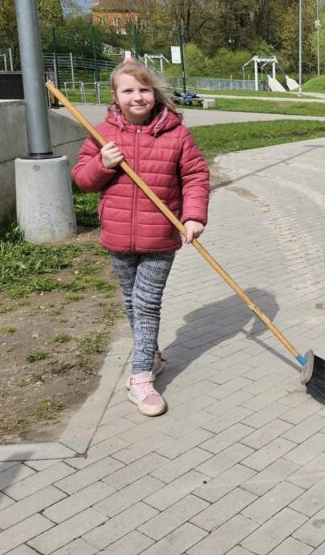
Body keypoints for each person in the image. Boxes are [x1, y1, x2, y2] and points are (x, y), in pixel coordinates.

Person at [72, 61, 209, 417]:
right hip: (117, 236)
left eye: (144, 90)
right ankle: (154, 355)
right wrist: (102, 163)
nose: (137, 97)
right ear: (115, 96)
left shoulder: (176, 134)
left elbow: (195, 175)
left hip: (160, 236)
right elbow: (83, 179)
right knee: (132, 301)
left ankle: (141, 377)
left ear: (155, 93)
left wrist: (193, 216)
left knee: (147, 303)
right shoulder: (102, 133)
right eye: (128, 90)